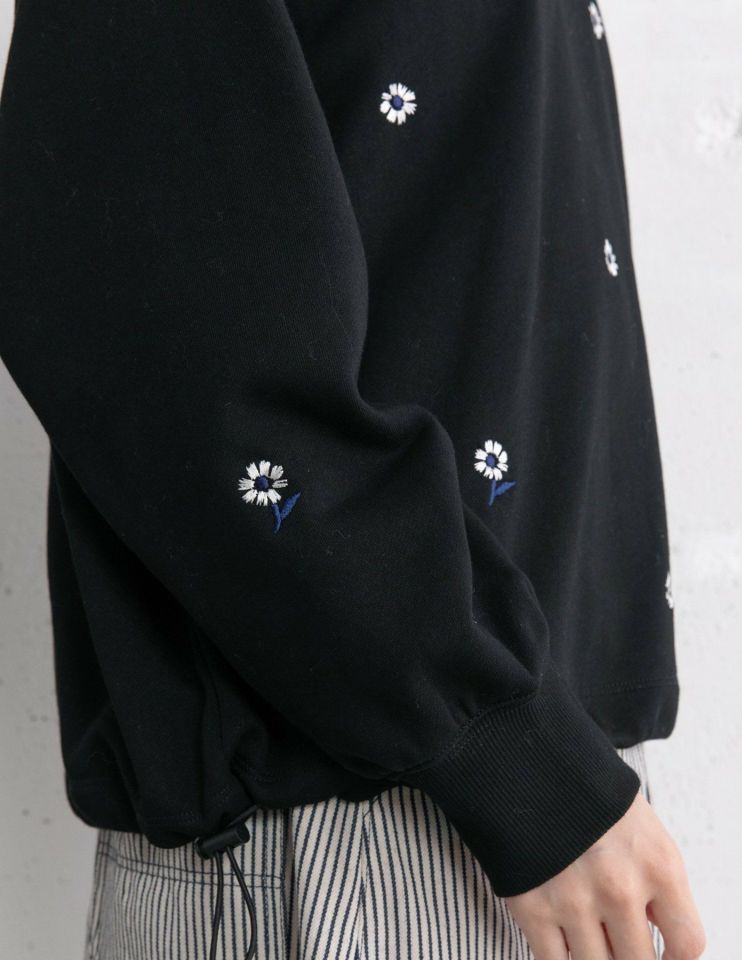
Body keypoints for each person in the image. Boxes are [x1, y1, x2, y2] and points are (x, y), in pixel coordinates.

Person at [0, 0, 705, 958]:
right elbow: (170, 336)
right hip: (358, 831)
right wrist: (513, 750)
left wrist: (548, 759)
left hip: (540, 802)